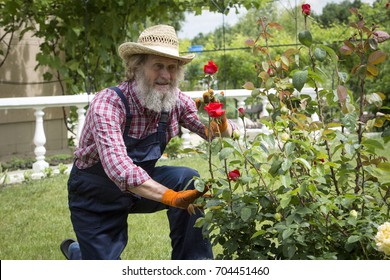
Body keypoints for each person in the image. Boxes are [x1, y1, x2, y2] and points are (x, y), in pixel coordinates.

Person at [60, 24, 237, 260]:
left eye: (171, 67)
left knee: (188, 180)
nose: (165, 75)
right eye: (158, 66)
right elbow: (119, 169)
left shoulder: (176, 101)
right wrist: (172, 197)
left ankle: (195, 264)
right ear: (137, 67)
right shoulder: (109, 103)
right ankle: (79, 254)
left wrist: (221, 123)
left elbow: (216, 136)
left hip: (141, 189)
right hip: (97, 194)